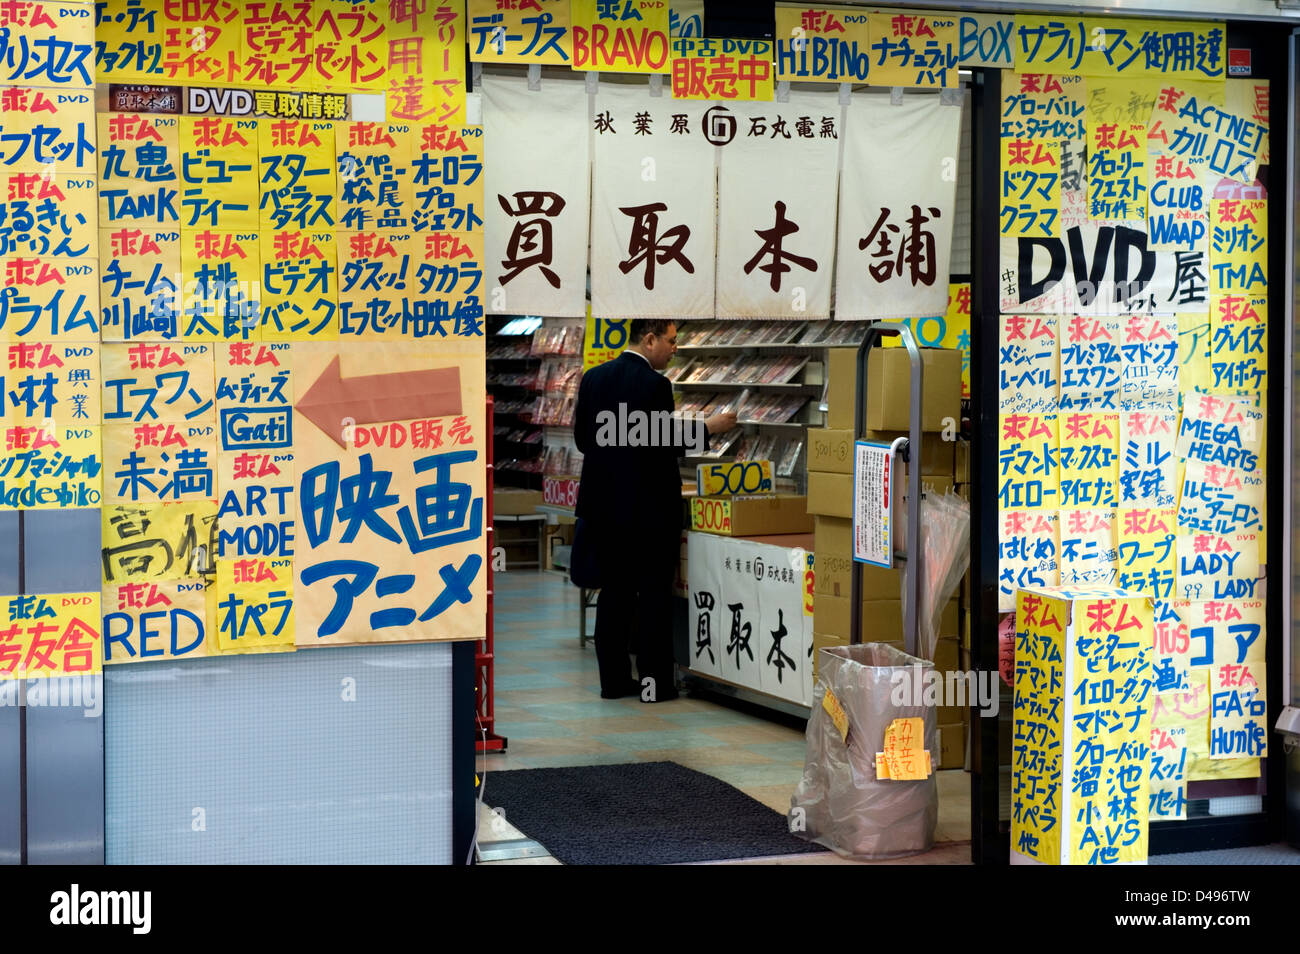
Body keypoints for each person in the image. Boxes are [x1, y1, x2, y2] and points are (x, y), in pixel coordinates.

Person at [573, 319, 737, 701]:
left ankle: (613, 682)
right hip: (648, 510)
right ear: (649, 340)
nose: (674, 348)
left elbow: (583, 439)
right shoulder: (655, 385)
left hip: (603, 507)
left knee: (613, 594)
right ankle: (654, 685)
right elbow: (662, 444)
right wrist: (710, 427)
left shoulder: (594, 378)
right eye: (671, 340)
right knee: (652, 596)